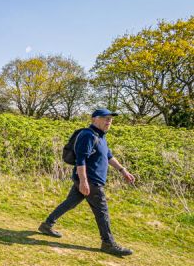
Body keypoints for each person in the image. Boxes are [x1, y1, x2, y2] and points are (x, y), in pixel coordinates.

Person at [38, 109, 136, 256]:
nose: (108, 121)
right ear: (94, 119)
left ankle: (47, 224)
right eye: (105, 118)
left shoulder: (100, 136)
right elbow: (80, 159)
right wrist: (84, 181)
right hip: (90, 180)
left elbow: (109, 156)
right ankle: (108, 243)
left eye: (110, 119)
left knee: (70, 202)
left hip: (88, 180)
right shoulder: (87, 135)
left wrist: (123, 171)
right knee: (102, 211)